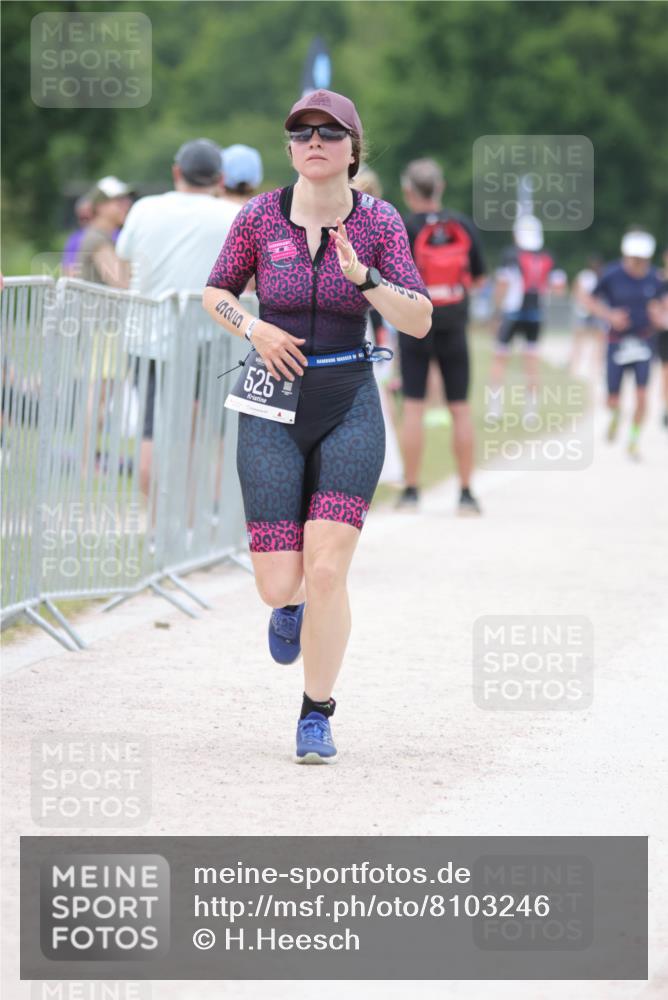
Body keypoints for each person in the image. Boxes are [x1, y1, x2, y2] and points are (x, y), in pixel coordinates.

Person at [203, 89, 432, 764]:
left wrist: (366, 282)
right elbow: (215, 291)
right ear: (290, 147)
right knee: (281, 583)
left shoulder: (380, 221)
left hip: (347, 400)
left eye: (329, 132)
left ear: (352, 149)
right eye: (301, 132)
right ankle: (290, 605)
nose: (314, 141)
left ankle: (316, 712)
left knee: (328, 570)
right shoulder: (257, 216)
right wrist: (255, 326)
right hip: (270, 402)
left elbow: (418, 317)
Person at [116, 139, 240, 497]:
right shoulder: (231, 214)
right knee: (217, 432)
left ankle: (156, 531)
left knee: (152, 431)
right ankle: (207, 525)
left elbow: (124, 266)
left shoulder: (143, 208)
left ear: (176, 172)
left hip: (146, 335)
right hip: (208, 337)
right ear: (220, 178)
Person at [396, 158, 486, 515]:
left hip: (415, 323)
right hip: (453, 324)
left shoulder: (405, 227)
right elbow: (478, 278)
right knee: (460, 409)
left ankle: (411, 490)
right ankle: (466, 493)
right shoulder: (461, 224)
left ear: (408, 192)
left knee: (414, 408)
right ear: (441, 187)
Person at [581, 229, 663, 459]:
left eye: (643, 259)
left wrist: (658, 314)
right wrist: (609, 315)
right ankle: (615, 415)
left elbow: (661, 304)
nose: (639, 263)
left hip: (644, 341)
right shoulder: (611, 275)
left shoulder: (654, 278)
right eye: (635, 258)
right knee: (612, 399)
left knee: (642, 396)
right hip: (617, 343)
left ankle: (634, 440)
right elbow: (588, 299)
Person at [488, 215, 557, 419]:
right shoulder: (547, 256)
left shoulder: (511, 255)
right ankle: (531, 410)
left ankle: (495, 409)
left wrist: (495, 311)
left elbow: (503, 284)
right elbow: (558, 286)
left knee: (500, 360)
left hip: (512, 313)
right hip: (536, 315)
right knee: (532, 362)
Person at [78, 177, 133, 287]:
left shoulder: (101, 236)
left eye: (127, 200)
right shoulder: (96, 239)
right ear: (100, 206)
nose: (127, 205)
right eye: (119, 201)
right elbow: (122, 284)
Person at [569, 255, 606, 378]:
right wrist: (586, 304)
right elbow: (578, 291)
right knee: (579, 340)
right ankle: (574, 367)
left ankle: (595, 368)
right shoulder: (585, 276)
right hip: (583, 311)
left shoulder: (602, 277)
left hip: (596, 312)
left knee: (599, 341)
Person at [62, 193, 93, 277]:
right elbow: (68, 270)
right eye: (82, 218)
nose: (85, 222)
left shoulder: (115, 234)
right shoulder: (75, 239)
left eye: (89, 217)